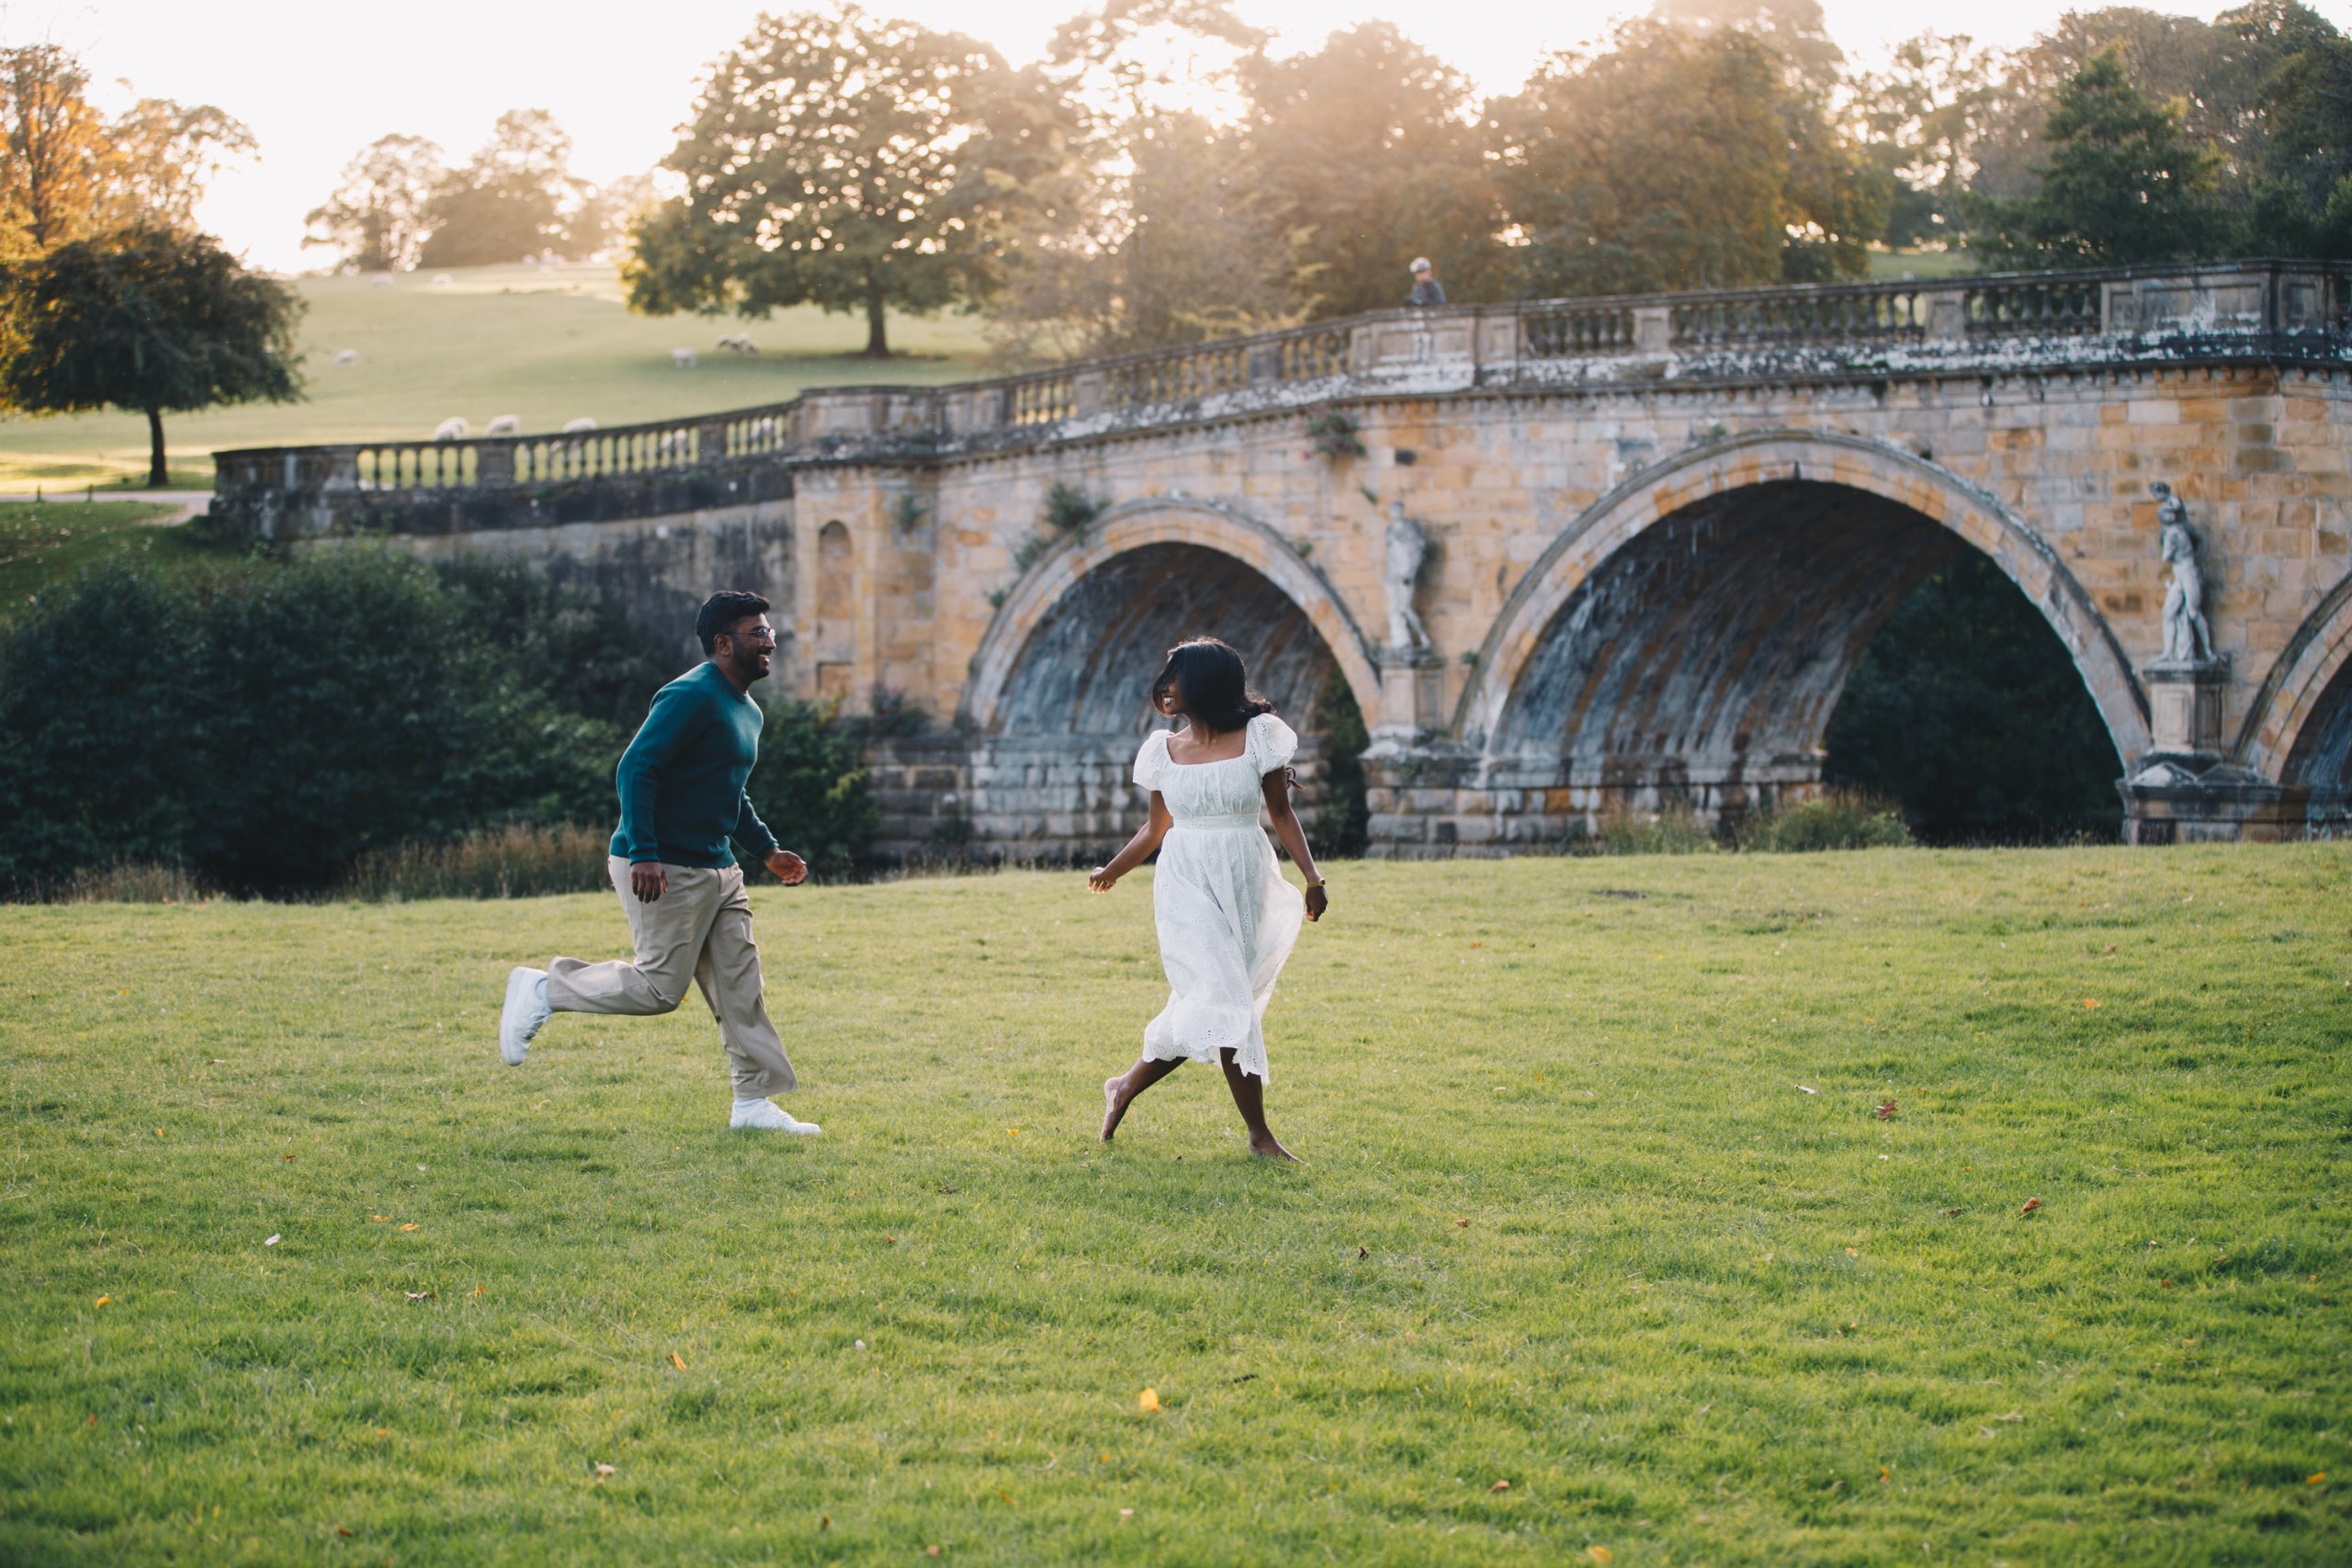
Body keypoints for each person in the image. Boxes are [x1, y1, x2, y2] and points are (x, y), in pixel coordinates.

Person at [496, 590, 820, 1134]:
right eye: (756, 633)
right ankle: (544, 989)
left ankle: (752, 1105)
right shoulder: (689, 696)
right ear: (722, 644)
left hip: (719, 870)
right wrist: (645, 853)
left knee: (741, 987)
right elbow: (636, 769)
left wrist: (766, 850)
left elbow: (729, 793)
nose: (769, 642)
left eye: (769, 632)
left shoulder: (748, 711)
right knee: (657, 990)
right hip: (664, 868)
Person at [1090, 638, 1329, 1161]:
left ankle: (1124, 1085)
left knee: (1211, 1006)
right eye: (1166, 675)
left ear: (1206, 683)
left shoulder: (1260, 738)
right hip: (1184, 882)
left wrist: (1312, 878)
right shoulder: (1162, 750)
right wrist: (1113, 869)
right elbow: (1155, 830)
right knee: (1226, 1004)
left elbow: (1281, 815)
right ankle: (1260, 1136)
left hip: (1243, 874)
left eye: (1178, 675)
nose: (1167, 685)